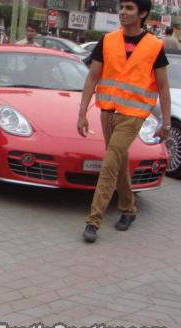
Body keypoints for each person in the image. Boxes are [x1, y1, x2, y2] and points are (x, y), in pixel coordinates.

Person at [77, 0, 171, 243]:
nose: (122, 12)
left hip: (133, 116)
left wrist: (166, 123)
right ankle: (128, 209)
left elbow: (162, 87)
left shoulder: (154, 46)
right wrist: (81, 113)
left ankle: (93, 221)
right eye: (121, 7)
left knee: (110, 163)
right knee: (118, 161)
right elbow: (92, 77)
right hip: (107, 111)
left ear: (142, 13)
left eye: (129, 8)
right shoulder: (108, 40)